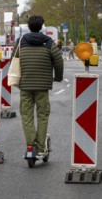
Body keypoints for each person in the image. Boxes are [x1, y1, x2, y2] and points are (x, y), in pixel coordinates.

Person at [12, 15, 63, 156]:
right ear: (42, 26)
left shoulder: (20, 42)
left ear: (28, 26)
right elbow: (58, 61)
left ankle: (30, 145)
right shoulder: (49, 42)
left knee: (26, 115)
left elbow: (14, 60)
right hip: (42, 86)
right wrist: (57, 77)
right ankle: (41, 148)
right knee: (42, 115)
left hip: (25, 85)